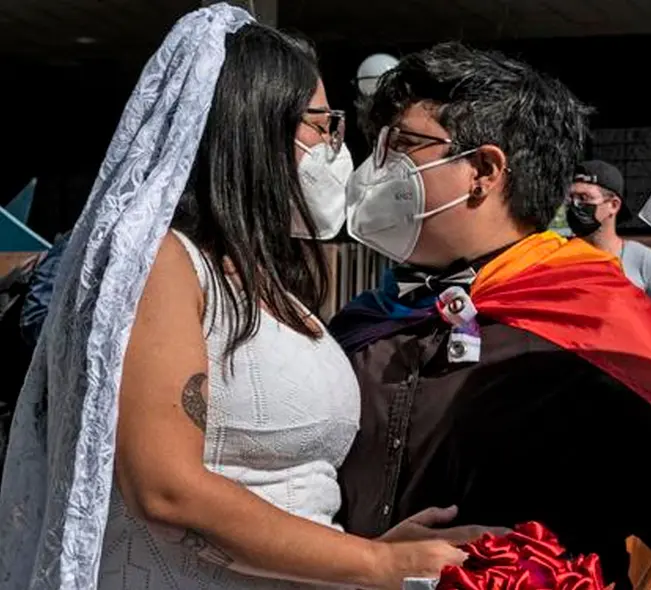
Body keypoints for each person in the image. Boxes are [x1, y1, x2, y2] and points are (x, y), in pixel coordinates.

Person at [0, 6, 478, 589]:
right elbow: (166, 490)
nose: (334, 146)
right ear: (255, 125)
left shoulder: (271, 281)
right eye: (321, 123)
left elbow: (280, 493)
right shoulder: (162, 262)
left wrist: (362, 552)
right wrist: (381, 565)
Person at [330, 42, 651, 588]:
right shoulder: (358, 325)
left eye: (404, 145)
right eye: (380, 145)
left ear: (483, 170)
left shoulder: (596, 327)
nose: (378, 168)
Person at [566, 159, 651, 368]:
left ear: (613, 205)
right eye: (571, 198)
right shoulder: (561, 258)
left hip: (629, 383)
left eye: (584, 198)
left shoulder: (642, 260)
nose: (575, 206)